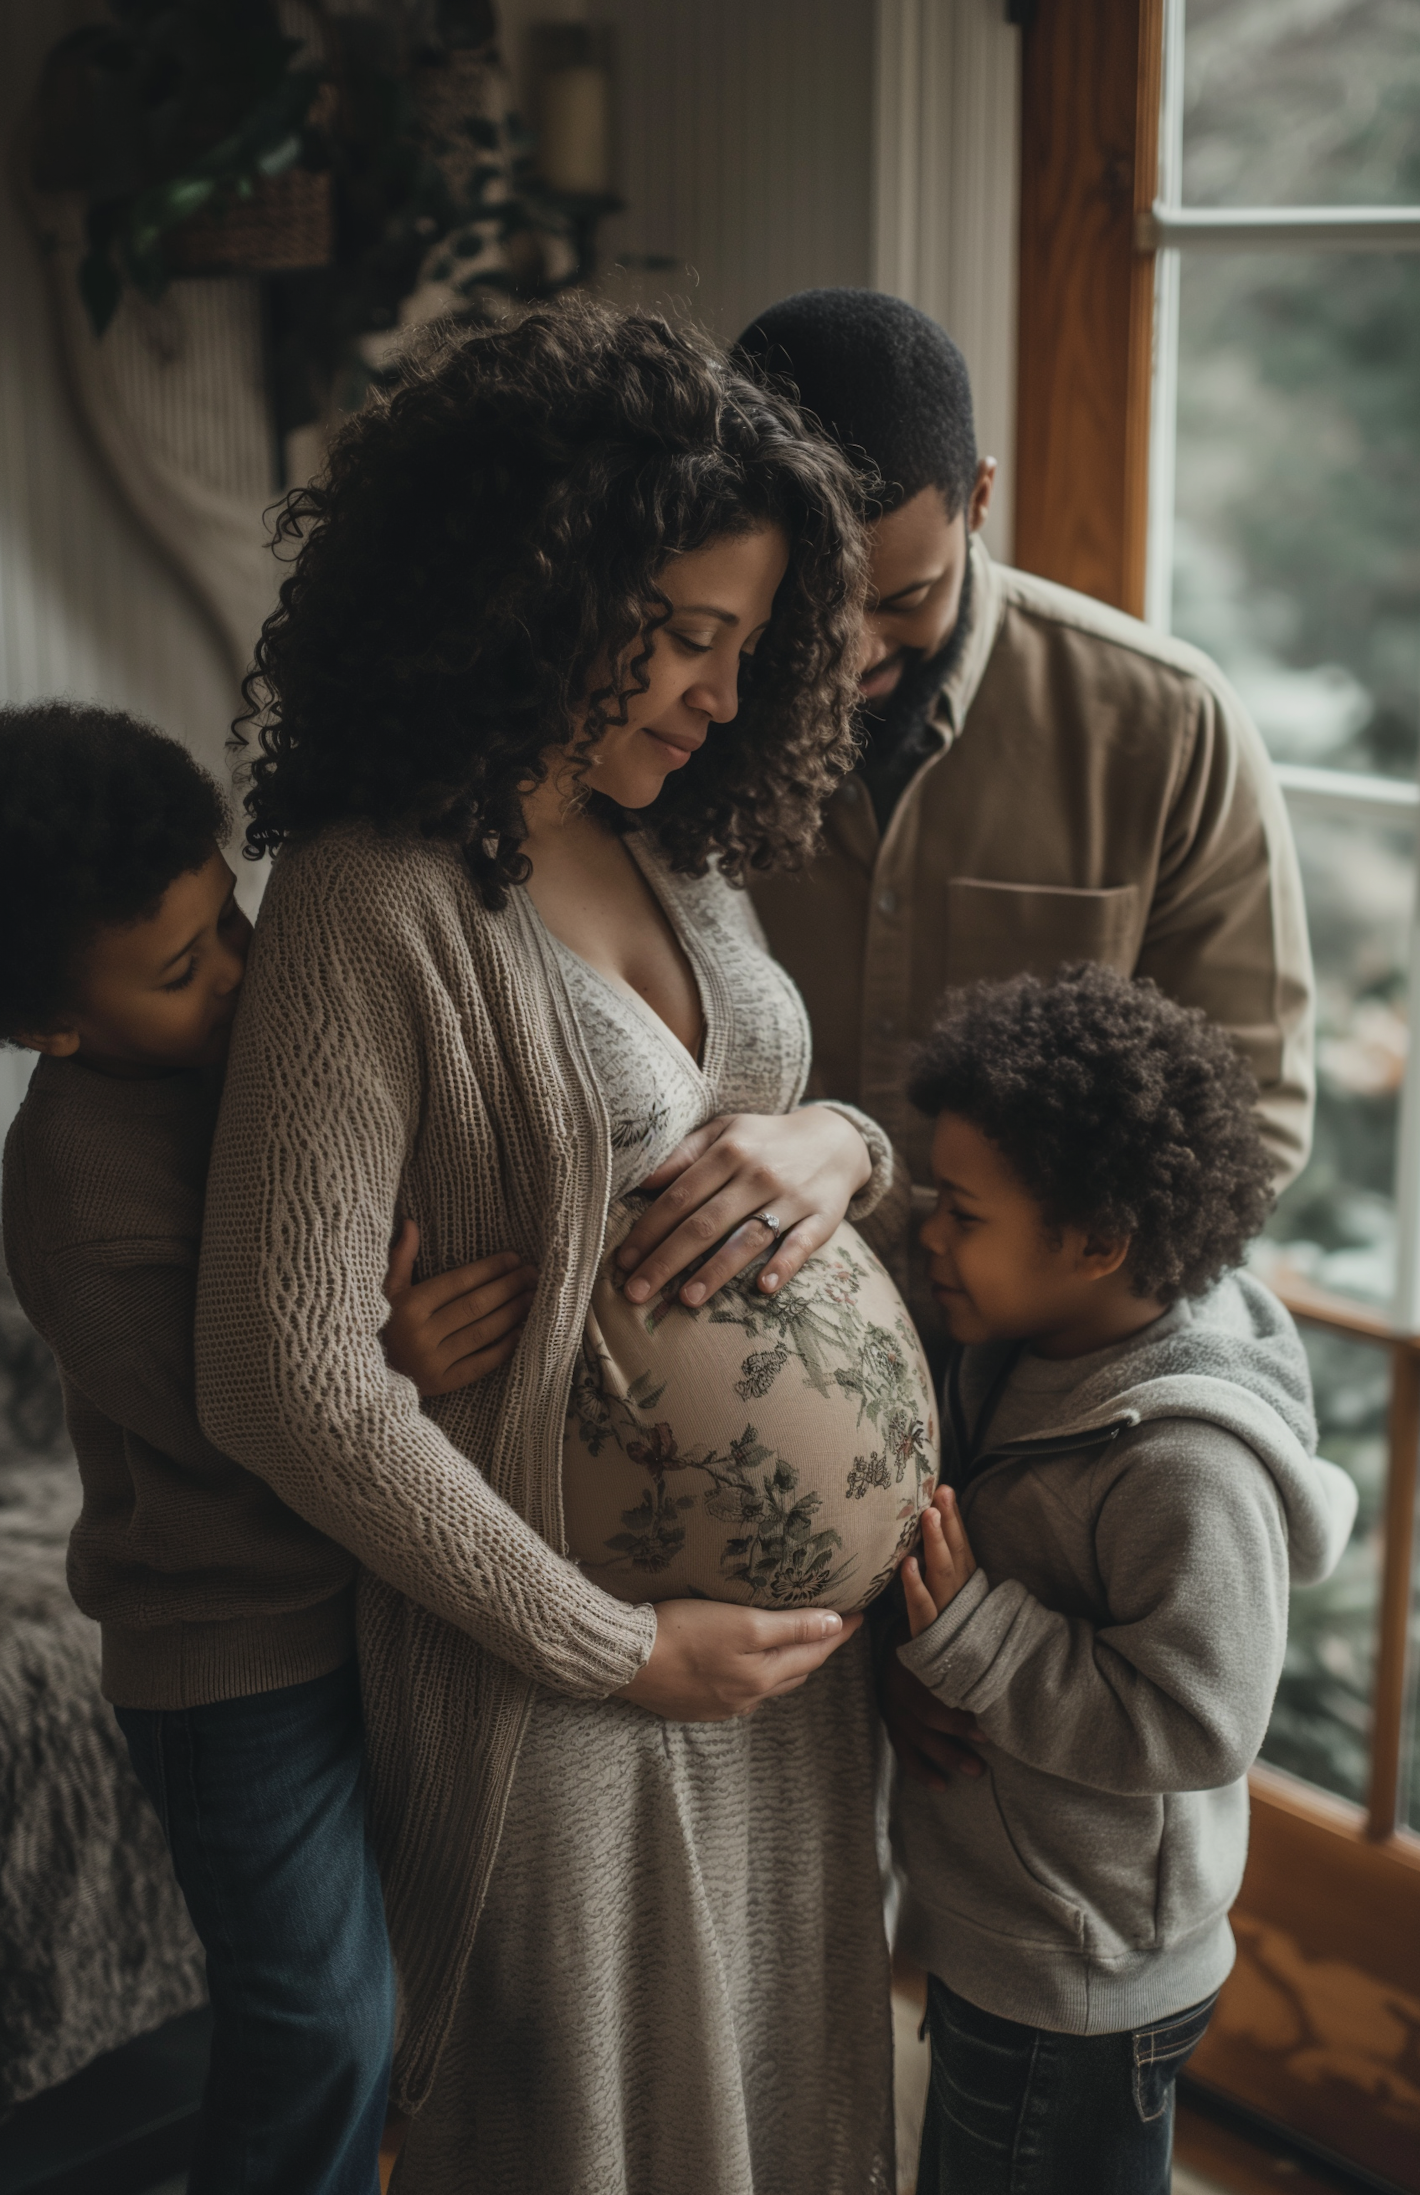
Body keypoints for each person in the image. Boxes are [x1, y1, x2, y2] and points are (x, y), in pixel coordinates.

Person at [192, 304, 926, 2194]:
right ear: (529, 591)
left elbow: (771, 1131)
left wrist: (842, 1139)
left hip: (770, 1673)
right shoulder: (373, 897)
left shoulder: (676, 837)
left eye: (747, 647)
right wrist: (613, 1649)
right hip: (563, 1676)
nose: (715, 690)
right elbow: (279, 1376)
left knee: (780, 2117)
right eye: (683, 632)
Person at [735, 284, 1318, 1796]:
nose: (850, 651)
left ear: (981, 498)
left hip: (1048, 1450)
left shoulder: (1167, 727)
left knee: (1022, 1914)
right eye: (811, 599)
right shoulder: (678, 724)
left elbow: (1248, 1118)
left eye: (903, 598)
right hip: (745, 1406)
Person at [0, 704, 538, 2193]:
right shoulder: (71, 1184)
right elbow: (247, 1419)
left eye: (227, 917)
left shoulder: (256, 1049)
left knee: (418, 1988)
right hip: (225, 1658)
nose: (237, 968)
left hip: (372, 1603)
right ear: (55, 1022)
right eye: (181, 969)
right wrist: (394, 1365)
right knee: (318, 2023)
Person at [892, 966, 1356, 2195]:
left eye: (964, 1213)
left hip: (1084, 1977)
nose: (929, 1231)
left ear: (1096, 1244)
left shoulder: (1189, 1468)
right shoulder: (1036, 1338)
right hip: (1013, 1931)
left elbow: (1200, 1718)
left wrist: (981, 1640)